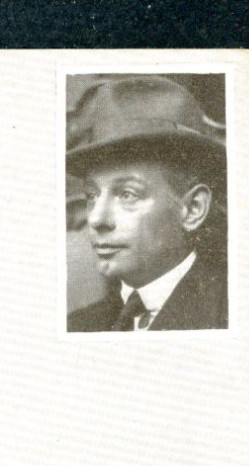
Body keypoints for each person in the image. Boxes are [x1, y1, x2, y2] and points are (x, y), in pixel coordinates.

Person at [67, 75, 228, 332]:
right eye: (92, 196)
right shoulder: (78, 326)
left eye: (127, 194)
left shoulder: (235, 318)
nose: (97, 218)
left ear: (193, 209)